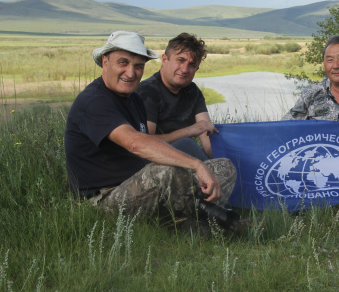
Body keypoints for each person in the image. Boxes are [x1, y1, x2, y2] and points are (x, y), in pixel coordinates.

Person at [64, 31, 236, 227]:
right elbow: (136, 143)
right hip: (106, 196)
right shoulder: (94, 101)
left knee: (224, 168)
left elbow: (148, 144)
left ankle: (204, 219)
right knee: (168, 172)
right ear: (105, 62)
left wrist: (200, 168)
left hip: (140, 181)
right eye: (123, 63)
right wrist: (196, 165)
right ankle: (202, 223)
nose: (131, 73)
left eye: (138, 66)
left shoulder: (133, 99)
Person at [137, 33, 216, 161]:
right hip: (151, 163)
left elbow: (206, 131)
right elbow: (147, 141)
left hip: (183, 160)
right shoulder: (147, 92)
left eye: (192, 65)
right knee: (187, 144)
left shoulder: (193, 91)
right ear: (164, 60)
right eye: (180, 60)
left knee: (223, 155)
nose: (184, 69)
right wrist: (189, 131)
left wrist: (218, 159)